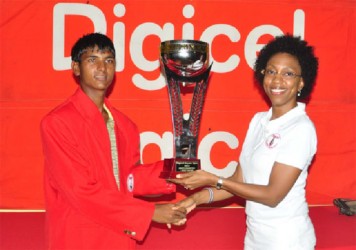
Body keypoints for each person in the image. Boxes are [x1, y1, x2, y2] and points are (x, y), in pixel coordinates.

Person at [171, 34, 319, 249]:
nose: (277, 80)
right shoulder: (259, 121)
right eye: (271, 71)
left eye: (288, 74)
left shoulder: (301, 129)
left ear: (301, 82)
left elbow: (272, 195)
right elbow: (239, 181)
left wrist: (213, 179)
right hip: (254, 239)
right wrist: (196, 199)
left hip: (287, 241)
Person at [40, 32, 186, 249]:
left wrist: (179, 169)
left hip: (119, 237)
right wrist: (149, 213)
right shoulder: (57, 123)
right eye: (92, 60)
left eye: (109, 60)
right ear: (76, 68)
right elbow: (80, 191)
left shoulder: (125, 125)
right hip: (78, 238)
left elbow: (129, 179)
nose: (102, 67)